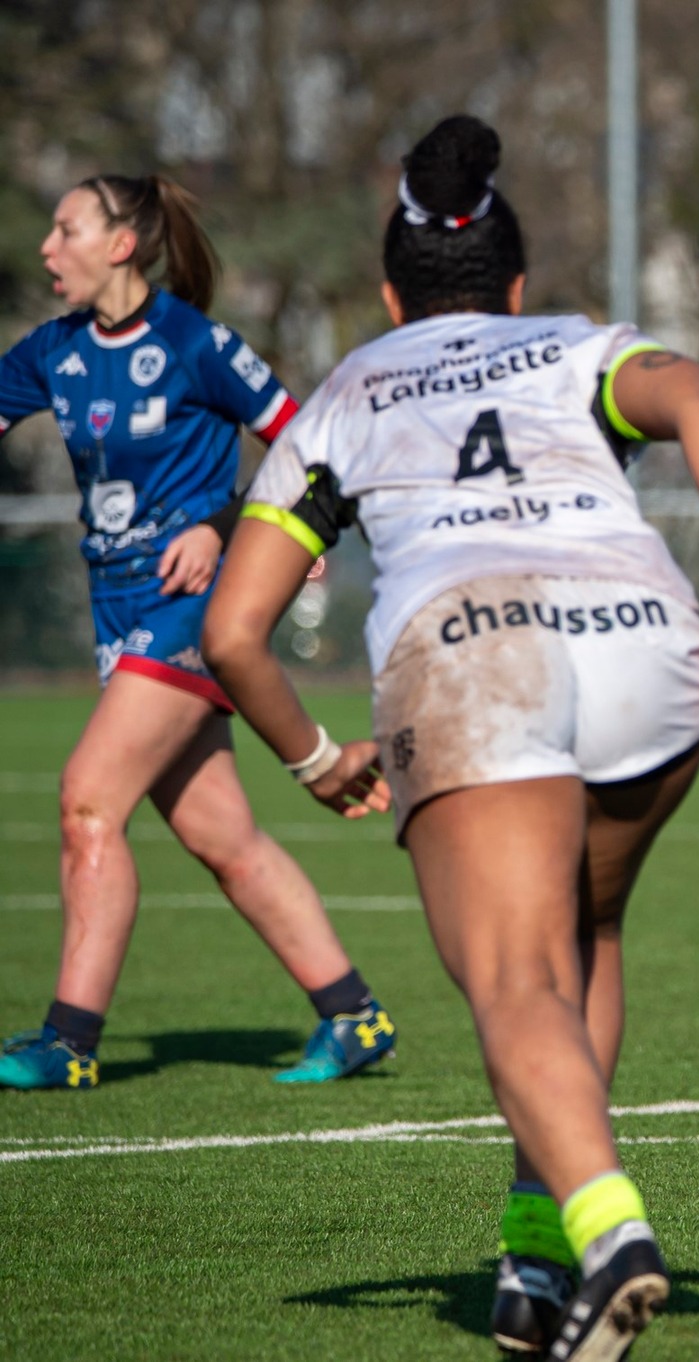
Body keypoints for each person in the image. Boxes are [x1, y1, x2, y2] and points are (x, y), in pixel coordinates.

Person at [200, 116, 699, 1361]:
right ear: (514, 285)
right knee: (584, 935)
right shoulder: (575, 345)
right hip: (647, 636)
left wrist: (315, 760)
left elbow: (234, 634)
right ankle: (535, 1254)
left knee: (516, 981)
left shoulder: (348, 395)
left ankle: (610, 1229)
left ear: (389, 292)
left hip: (478, 649)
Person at [0, 172, 396, 1090]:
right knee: (222, 837)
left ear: (121, 245)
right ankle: (352, 1012)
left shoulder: (195, 342)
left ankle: (69, 1043)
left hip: (194, 611)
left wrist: (223, 525)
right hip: (120, 614)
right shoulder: (52, 352)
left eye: (66, 230)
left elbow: (310, 450)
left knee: (89, 799)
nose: (48, 248)